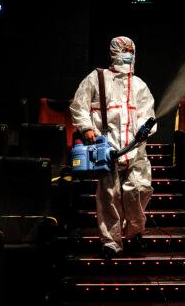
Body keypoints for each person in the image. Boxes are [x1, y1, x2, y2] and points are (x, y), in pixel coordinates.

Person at [70, 36, 156, 259]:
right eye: (123, 51)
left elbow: (148, 115)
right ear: (114, 53)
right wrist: (87, 129)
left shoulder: (139, 85)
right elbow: (78, 107)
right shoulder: (96, 79)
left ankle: (134, 232)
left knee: (138, 190)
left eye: (130, 51)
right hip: (107, 150)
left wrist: (144, 131)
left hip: (135, 151)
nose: (127, 55)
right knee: (109, 196)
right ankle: (111, 242)